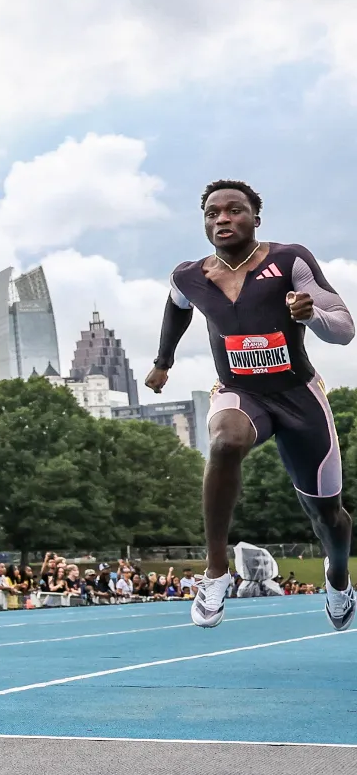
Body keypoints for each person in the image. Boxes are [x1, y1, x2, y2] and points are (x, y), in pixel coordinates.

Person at [146, 180, 355, 630]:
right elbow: (177, 306)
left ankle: (338, 579)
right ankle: (216, 573)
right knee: (223, 442)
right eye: (212, 213)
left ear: (255, 218)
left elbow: (344, 327)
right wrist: (163, 363)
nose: (223, 219)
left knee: (328, 517)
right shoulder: (189, 275)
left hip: (299, 397)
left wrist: (311, 314)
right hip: (240, 392)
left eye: (234, 210)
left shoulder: (289, 260)